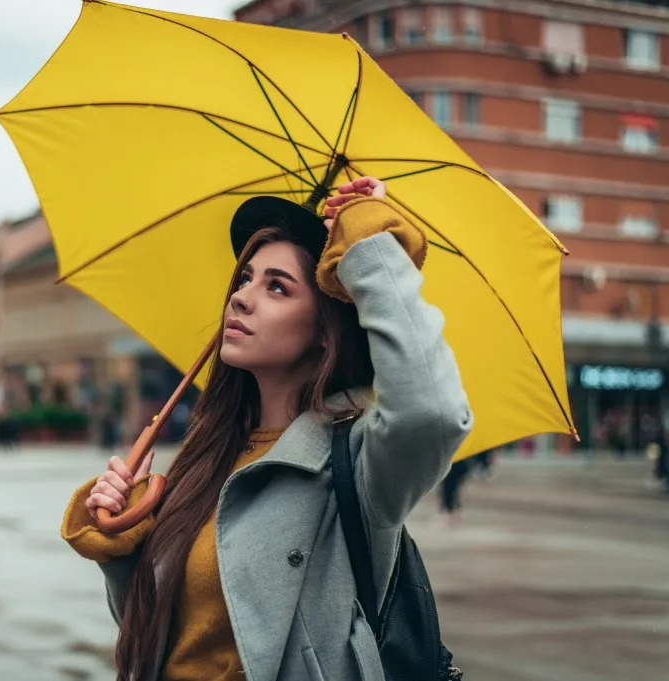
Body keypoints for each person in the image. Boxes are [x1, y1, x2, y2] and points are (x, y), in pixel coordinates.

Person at [60, 177, 472, 681]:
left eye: (277, 287)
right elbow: (153, 636)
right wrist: (121, 548)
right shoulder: (206, 457)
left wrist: (370, 247)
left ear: (325, 332)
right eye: (245, 278)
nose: (241, 298)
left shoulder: (357, 463)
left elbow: (432, 412)